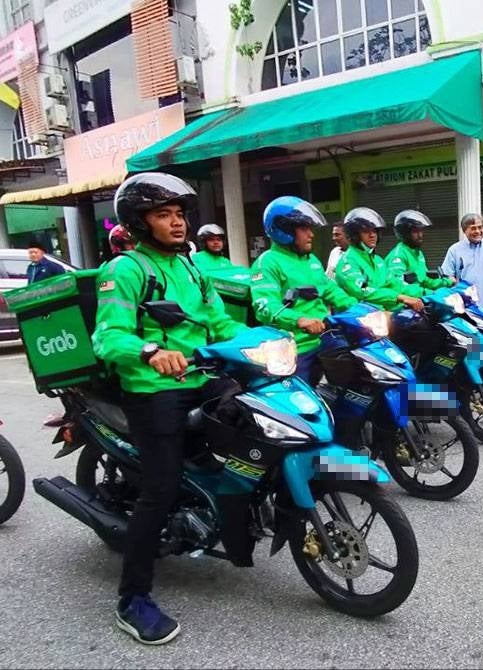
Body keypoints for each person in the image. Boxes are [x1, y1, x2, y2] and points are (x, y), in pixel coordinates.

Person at [92, 173, 247, 645]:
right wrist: (149, 352)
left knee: (257, 420)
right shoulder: (126, 270)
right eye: (164, 214)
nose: (177, 223)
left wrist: (261, 342)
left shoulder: (193, 268)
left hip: (200, 378)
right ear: (141, 222)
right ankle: (132, 599)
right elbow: (108, 336)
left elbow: (219, 323)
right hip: (153, 387)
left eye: (180, 214)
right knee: (159, 488)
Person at [250, 197, 356, 384]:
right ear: (285, 230)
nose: (311, 234)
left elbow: (330, 290)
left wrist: (359, 309)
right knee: (305, 406)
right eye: (304, 228)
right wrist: (299, 320)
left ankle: (418, 409)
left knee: (363, 376)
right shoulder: (267, 263)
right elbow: (265, 306)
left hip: (326, 337)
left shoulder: (311, 260)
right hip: (295, 347)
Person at [334, 207, 424, 312]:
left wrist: (424, 293)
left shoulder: (378, 261)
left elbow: (395, 284)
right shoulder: (348, 262)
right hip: (358, 320)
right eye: (366, 231)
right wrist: (400, 297)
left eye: (374, 231)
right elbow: (362, 290)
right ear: (354, 235)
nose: (372, 235)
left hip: (380, 317)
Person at [440, 213, 483, 314]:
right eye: (473, 228)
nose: (478, 231)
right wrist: (453, 282)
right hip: (464, 308)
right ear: (464, 230)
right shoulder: (455, 250)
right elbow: (447, 275)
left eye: (480, 227)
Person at [386, 210, 455, 292]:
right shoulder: (398, 256)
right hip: (403, 303)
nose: (420, 235)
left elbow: (424, 280)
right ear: (405, 233)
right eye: (415, 231)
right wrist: (426, 292)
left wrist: (446, 282)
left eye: (421, 230)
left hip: (418, 300)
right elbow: (397, 285)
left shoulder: (417, 253)